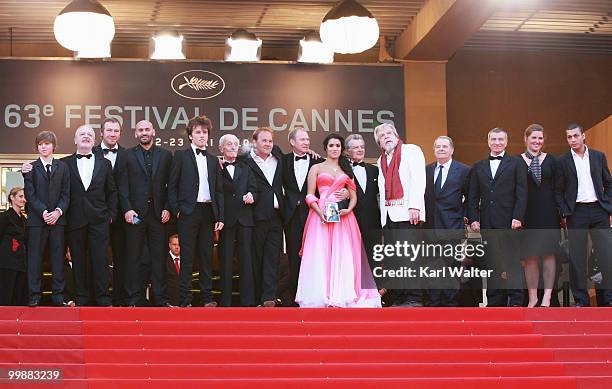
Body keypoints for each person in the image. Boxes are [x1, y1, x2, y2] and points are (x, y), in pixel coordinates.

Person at [296, 133, 381, 308]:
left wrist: (349, 208)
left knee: (343, 254)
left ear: (342, 149)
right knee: (321, 253)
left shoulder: (346, 170)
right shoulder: (316, 168)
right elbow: (310, 195)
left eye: (338, 146)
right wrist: (320, 212)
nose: (335, 148)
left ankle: (342, 293)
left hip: (343, 217)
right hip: (320, 216)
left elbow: (354, 195)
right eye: (331, 145)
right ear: (326, 148)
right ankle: (322, 294)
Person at [168, 115, 224, 307]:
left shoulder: (213, 159)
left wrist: (219, 215)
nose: (202, 135)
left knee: (207, 257)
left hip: (208, 212)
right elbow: (172, 185)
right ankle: (185, 300)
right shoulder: (180, 156)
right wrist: (177, 210)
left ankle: (207, 298)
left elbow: (218, 190)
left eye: (205, 132)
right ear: (190, 136)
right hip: (188, 212)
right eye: (198, 132)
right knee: (187, 257)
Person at [468, 128, 527, 307]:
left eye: (501, 139)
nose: (497, 142)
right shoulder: (479, 166)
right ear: (488, 142)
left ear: (506, 142)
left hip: (510, 221)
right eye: (493, 139)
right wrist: (473, 218)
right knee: (492, 263)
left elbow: (522, 193)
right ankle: (494, 302)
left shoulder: (516, 163)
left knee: (511, 261)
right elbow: (473, 195)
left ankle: (516, 301)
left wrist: (518, 217)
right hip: (487, 222)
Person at [555, 123, 612, 307]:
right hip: (576, 212)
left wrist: (608, 207)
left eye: (575, 136)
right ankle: (581, 301)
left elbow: (608, 183)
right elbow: (558, 191)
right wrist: (564, 211)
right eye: (569, 137)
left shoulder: (598, 156)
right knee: (577, 259)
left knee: (606, 256)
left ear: (583, 136)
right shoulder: (562, 161)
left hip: (599, 210)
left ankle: (609, 300)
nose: (573, 140)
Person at [117, 120, 173, 307]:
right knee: (133, 257)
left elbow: (170, 186)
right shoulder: (126, 155)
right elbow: (122, 185)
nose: (144, 132)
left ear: (154, 132)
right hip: (134, 214)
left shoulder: (166, 155)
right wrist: (127, 208)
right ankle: (133, 298)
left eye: (147, 129)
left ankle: (160, 299)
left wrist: (167, 207)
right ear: (135, 134)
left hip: (158, 214)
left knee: (159, 258)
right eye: (140, 130)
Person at [62, 125, 117, 306]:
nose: (86, 137)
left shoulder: (105, 163)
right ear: (75, 140)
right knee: (77, 260)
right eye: (82, 134)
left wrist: (111, 214)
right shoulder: (64, 163)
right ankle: (81, 298)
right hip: (74, 219)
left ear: (94, 141)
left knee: (100, 260)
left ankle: (102, 297)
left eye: (90, 135)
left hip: (99, 220)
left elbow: (112, 191)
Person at [375, 123, 426, 307]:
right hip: (389, 215)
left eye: (389, 133)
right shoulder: (381, 160)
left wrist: (415, 207)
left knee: (409, 257)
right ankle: (398, 297)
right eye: (382, 135)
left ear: (396, 135)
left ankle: (414, 297)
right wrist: (382, 219)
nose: (386, 136)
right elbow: (382, 190)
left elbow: (419, 179)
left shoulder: (411, 150)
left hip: (407, 213)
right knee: (393, 259)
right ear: (379, 142)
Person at [23, 131, 71, 307]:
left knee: (58, 259)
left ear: (54, 146)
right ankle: (34, 295)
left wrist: (57, 212)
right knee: (34, 259)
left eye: (47, 143)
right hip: (37, 221)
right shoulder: (30, 168)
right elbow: (30, 194)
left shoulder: (63, 167)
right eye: (40, 144)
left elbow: (66, 194)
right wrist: (44, 212)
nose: (44, 146)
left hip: (58, 221)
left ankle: (58, 296)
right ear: (37, 147)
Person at [423, 136, 471, 307]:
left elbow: (471, 197)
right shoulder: (426, 170)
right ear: (434, 149)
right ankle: (433, 302)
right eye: (438, 146)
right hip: (429, 225)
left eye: (444, 146)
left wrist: (464, 214)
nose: (441, 149)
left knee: (451, 265)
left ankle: (451, 302)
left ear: (452, 149)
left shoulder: (464, 170)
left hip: (452, 223)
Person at [519, 124, 560, 307]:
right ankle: (533, 298)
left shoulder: (552, 161)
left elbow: (560, 189)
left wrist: (562, 214)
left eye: (540, 138)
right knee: (530, 256)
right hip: (526, 214)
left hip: (549, 213)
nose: (537, 141)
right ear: (526, 139)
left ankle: (547, 298)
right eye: (533, 138)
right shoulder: (516, 161)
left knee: (549, 255)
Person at [282, 127, 324, 305]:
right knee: (293, 257)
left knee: (314, 256)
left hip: (313, 215)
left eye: (308, 139)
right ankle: (294, 297)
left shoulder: (318, 161)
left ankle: (314, 295)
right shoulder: (282, 160)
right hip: (291, 216)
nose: (307, 142)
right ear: (292, 142)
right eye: (302, 140)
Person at [244, 127, 285, 307]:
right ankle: (256, 298)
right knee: (256, 259)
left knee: (272, 258)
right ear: (255, 142)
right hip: (256, 216)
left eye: (270, 140)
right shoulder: (245, 161)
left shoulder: (278, 156)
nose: (268, 144)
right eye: (264, 140)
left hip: (277, 216)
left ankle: (268, 297)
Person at [93, 117, 129, 306]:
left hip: (122, 216)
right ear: (101, 132)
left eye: (116, 131)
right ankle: (98, 297)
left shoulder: (127, 154)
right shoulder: (90, 152)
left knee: (121, 258)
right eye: (109, 130)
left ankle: (120, 298)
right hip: (96, 215)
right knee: (97, 257)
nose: (113, 134)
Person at [218, 134, 257, 306]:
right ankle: (225, 302)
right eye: (229, 144)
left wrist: (251, 195)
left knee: (246, 260)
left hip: (245, 219)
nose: (233, 147)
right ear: (221, 149)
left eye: (236, 144)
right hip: (226, 219)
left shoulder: (246, 167)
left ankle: (247, 302)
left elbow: (254, 189)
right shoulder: (216, 167)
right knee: (225, 261)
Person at [345, 134, 381, 272]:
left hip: (373, 223)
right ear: (348, 151)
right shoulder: (343, 171)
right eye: (355, 147)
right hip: (350, 221)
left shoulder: (375, 170)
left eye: (362, 147)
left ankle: (373, 291)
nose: (360, 150)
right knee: (352, 258)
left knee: (373, 258)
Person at [0, 187, 28, 306]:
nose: (24, 200)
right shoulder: (4, 217)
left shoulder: (24, 219)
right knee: (6, 294)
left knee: (18, 296)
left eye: (25, 197)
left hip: (21, 263)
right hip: (7, 263)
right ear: (12, 197)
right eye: (21, 196)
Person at [165, 234, 181, 307]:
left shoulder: (187, 260)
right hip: (167, 302)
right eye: (174, 244)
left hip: (184, 303)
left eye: (179, 245)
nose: (177, 247)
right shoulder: (163, 260)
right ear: (169, 245)